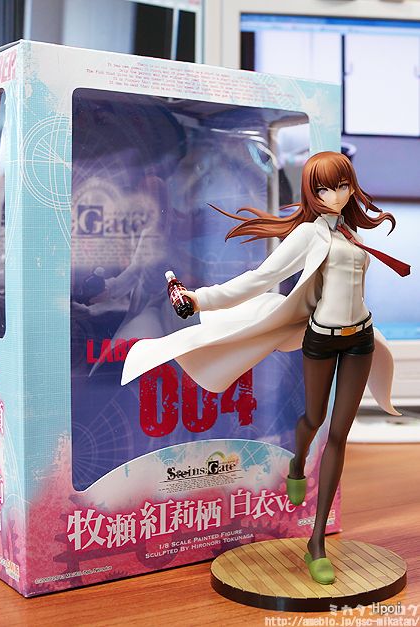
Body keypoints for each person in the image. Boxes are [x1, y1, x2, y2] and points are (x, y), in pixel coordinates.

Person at [121, 151, 410, 585]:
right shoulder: (309, 235)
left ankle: (316, 542)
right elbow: (258, 279)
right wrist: (200, 299)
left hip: (360, 339)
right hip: (322, 338)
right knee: (313, 418)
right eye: (324, 188)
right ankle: (297, 464)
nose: (335, 195)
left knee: (339, 434)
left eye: (342, 185)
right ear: (311, 193)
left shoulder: (349, 233)